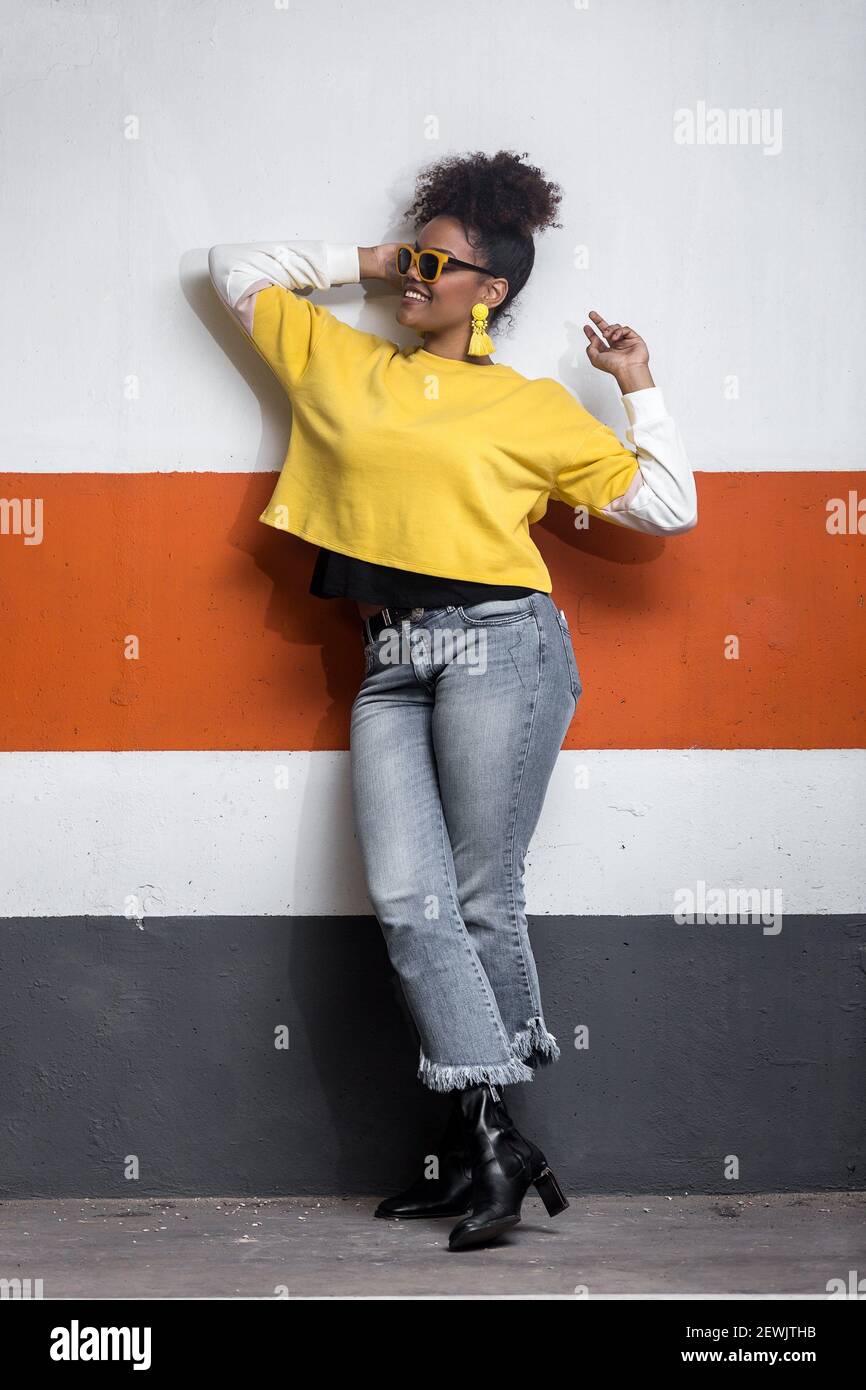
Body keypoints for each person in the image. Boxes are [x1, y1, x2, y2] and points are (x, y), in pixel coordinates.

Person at [208, 149, 696, 1252]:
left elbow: (665, 505)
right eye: (414, 251)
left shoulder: (522, 406)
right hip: (389, 662)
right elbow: (231, 270)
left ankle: (482, 1144)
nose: (420, 270)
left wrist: (636, 382)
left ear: (494, 291)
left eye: (445, 259)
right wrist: (372, 259)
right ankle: (496, 1141)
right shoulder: (340, 362)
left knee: (479, 896)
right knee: (408, 903)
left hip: (500, 647)